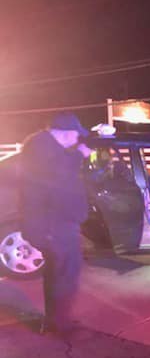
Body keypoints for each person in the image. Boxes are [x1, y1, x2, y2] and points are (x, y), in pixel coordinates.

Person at [19, 112, 91, 337]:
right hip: (54, 224)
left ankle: (57, 321)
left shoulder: (45, 147)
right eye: (77, 135)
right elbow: (57, 177)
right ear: (67, 132)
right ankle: (59, 327)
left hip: (54, 222)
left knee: (59, 273)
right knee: (64, 274)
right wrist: (79, 155)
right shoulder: (42, 148)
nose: (78, 140)